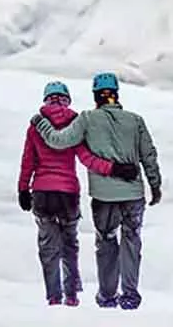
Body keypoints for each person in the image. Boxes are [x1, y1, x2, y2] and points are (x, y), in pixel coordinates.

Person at [30, 72, 162, 310]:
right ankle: (130, 296)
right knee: (132, 240)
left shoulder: (87, 119)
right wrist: (155, 184)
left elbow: (59, 141)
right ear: (116, 95)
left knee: (106, 241)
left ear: (95, 96)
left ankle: (108, 296)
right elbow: (148, 155)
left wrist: (41, 123)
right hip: (133, 195)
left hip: (104, 196)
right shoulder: (136, 120)